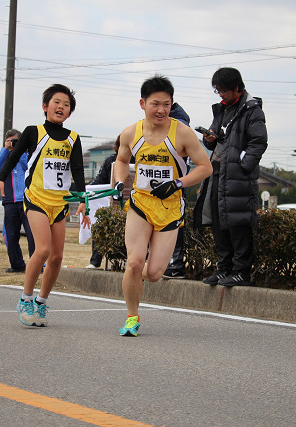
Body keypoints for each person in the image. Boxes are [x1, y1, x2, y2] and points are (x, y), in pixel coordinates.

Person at [113, 75, 212, 336]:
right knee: (134, 262)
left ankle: (133, 279)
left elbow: (205, 167)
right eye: (155, 104)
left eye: (166, 104)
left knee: (155, 273)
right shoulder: (130, 133)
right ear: (142, 103)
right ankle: (132, 317)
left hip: (169, 207)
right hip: (140, 204)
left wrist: (178, 184)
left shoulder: (182, 132)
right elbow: (121, 160)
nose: (161, 110)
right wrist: (118, 183)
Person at [0, 83, 90, 327]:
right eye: (57, 102)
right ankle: (25, 298)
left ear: (70, 112)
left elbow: (77, 171)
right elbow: (12, 158)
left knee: (56, 257)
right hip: (36, 199)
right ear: (45, 106)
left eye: (66, 105)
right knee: (42, 250)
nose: (61, 107)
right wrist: (1, 180)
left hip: (60, 202)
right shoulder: (33, 132)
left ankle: (41, 302)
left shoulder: (73, 138)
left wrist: (82, 199)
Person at [194, 67, 268, 287]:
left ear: (237, 87)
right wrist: (209, 138)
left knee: (238, 223)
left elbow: (259, 143)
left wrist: (243, 165)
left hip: (238, 175)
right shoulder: (222, 109)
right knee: (218, 222)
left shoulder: (252, 110)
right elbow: (214, 139)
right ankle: (224, 268)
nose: (221, 95)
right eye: (218, 91)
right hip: (218, 170)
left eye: (224, 90)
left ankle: (241, 272)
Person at [0, 129, 36, 273]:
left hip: (27, 200)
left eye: (15, 140)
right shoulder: (5, 156)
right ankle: (17, 264)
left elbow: (28, 165)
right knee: (11, 235)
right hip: (9, 201)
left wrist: (19, 149)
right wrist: (5, 150)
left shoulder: (27, 154)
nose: (12, 143)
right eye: (9, 140)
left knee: (32, 234)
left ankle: (37, 264)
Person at [162, 102, 191, 279]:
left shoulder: (180, 127)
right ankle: (169, 264)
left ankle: (175, 264)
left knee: (173, 225)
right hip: (160, 186)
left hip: (174, 187)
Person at [86, 135, 121, 269]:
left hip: (133, 204)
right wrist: (88, 188)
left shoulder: (138, 161)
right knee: (100, 226)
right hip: (110, 204)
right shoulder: (110, 161)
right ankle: (95, 262)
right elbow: (100, 181)